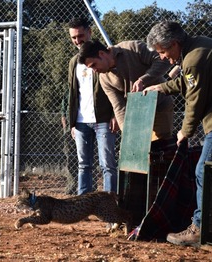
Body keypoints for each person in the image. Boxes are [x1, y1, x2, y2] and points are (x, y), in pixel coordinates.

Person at [142, 21, 212, 247]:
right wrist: (161, 87)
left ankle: (199, 227)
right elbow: (188, 82)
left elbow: (194, 101)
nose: (163, 58)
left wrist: (184, 132)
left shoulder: (193, 60)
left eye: (163, 52)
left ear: (174, 44)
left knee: (203, 171)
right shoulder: (199, 46)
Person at [77, 39, 174, 141]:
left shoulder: (133, 48)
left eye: (94, 65)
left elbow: (164, 60)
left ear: (101, 54)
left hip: (159, 104)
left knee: (160, 145)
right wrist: (127, 133)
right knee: (136, 149)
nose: (94, 71)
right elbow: (119, 107)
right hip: (136, 114)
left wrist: (143, 80)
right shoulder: (104, 79)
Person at [67, 17, 118, 195]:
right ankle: (83, 205)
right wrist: (72, 122)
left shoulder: (104, 54)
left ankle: (110, 205)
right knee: (84, 165)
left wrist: (114, 115)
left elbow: (117, 88)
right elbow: (72, 93)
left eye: (80, 36)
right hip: (81, 121)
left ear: (90, 32)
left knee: (107, 165)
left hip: (103, 120)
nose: (77, 41)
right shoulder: (74, 62)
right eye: (73, 37)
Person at [61, 89, 78, 195]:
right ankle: (71, 185)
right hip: (69, 130)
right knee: (70, 158)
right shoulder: (68, 92)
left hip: (85, 126)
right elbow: (63, 113)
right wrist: (66, 129)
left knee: (88, 157)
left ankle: (90, 185)